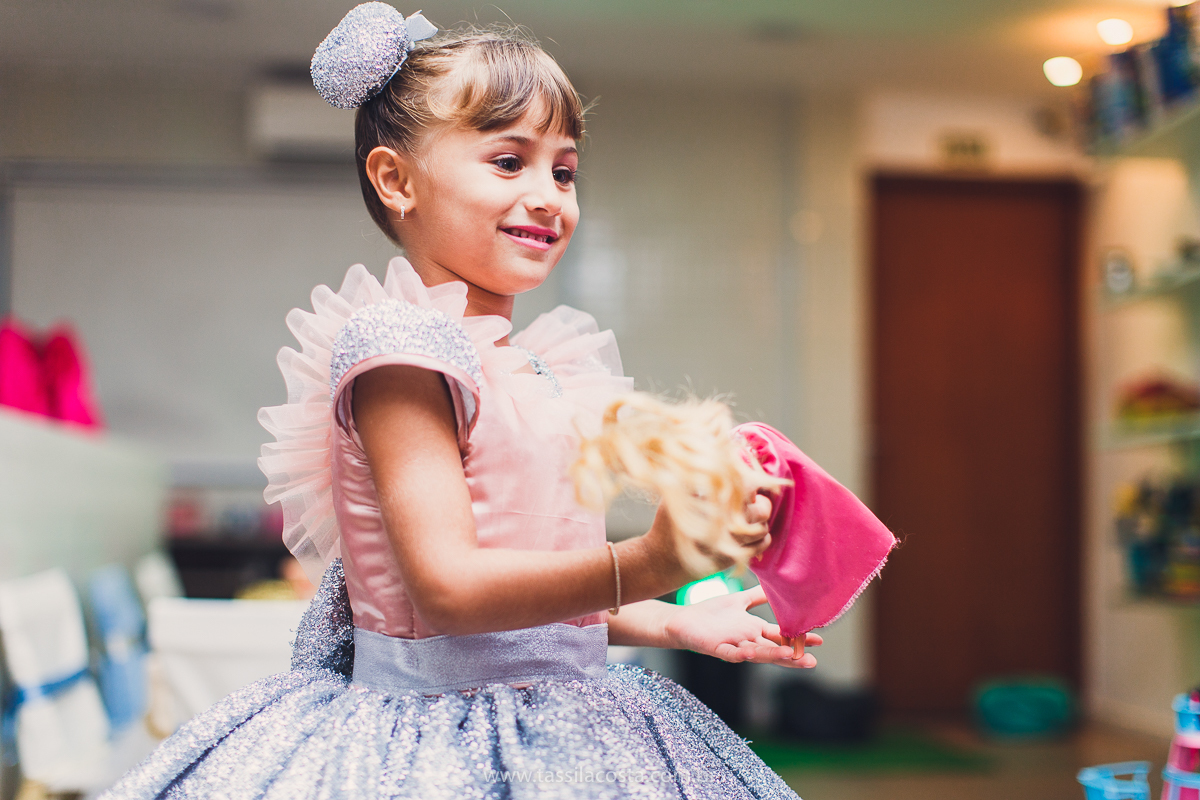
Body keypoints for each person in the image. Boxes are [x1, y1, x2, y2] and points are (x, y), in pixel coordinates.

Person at [102, 5, 821, 798]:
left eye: (565, 169)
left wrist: (666, 617)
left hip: (569, 714)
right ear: (396, 180)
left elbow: (531, 587)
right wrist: (647, 563)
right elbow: (446, 590)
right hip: (429, 737)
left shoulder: (537, 365)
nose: (549, 195)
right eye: (509, 162)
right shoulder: (399, 352)